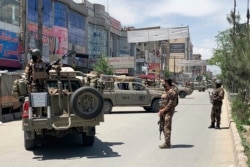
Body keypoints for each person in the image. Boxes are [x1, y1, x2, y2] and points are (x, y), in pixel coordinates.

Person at [158, 78, 178, 149]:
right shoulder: (166, 91)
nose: (162, 83)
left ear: (166, 83)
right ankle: (166, 142)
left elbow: (170, 104)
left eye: (163, 82)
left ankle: (167, 143)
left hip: (168, 112)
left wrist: (163, 110)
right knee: (163, 127)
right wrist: (160, 111)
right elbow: (162, 101)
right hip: (163, 112)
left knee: (167, 127)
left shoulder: (172, 92)